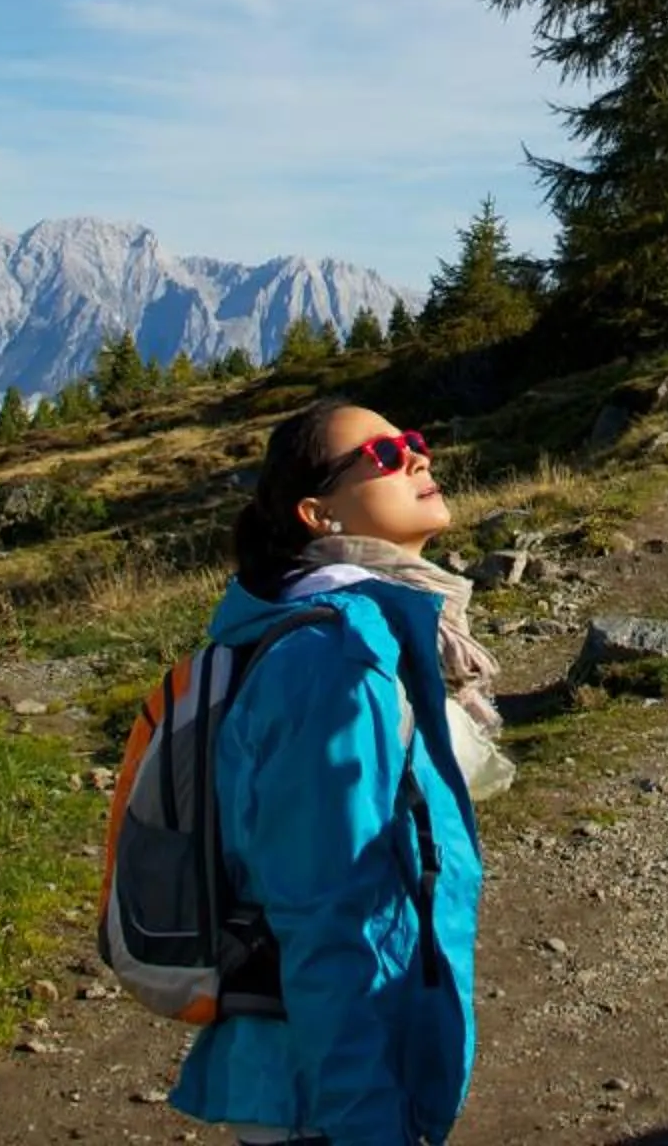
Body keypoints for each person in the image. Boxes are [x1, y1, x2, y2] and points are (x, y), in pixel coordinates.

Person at [169, 399, 490, 1146]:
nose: (417, 457)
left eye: (413, 441)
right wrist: (364, 1121)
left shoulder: (373, 633)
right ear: (319, 514)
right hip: (321, 1092)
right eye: (382, 455)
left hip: (336, 1069)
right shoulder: (331, 660)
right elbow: (326, 911)